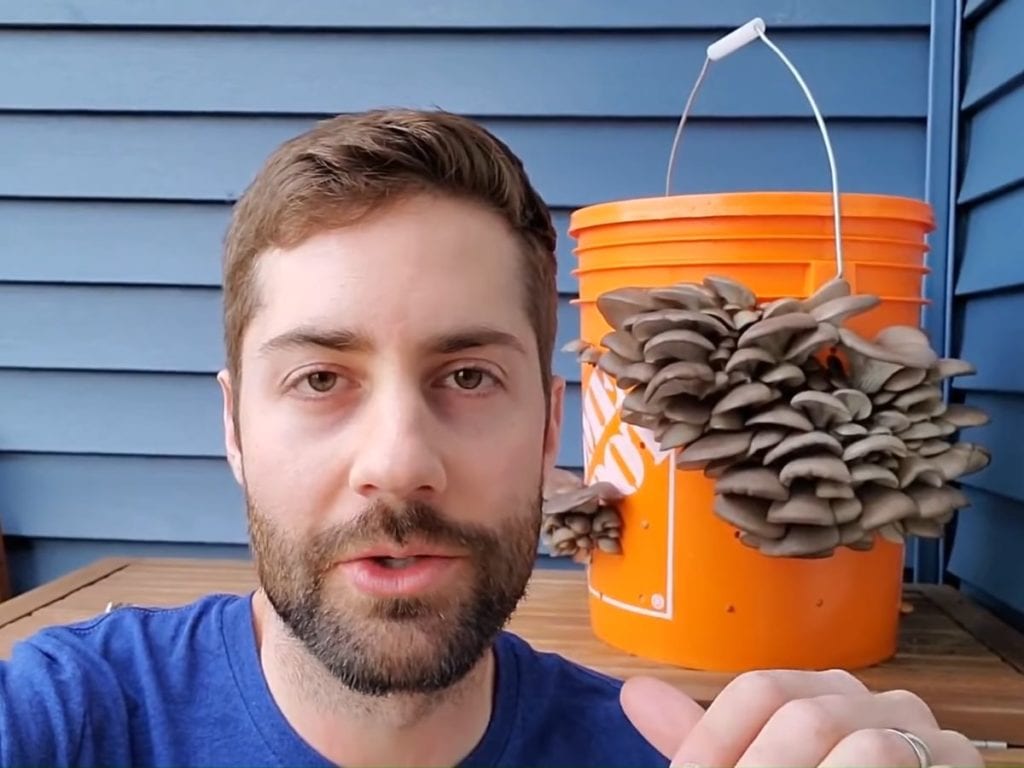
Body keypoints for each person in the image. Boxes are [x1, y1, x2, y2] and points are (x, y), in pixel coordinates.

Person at [0, 109, 982, 768]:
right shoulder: (71, 716)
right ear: (233, 426)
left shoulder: (674, 754)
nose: (398, 461)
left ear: (553, 424)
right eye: (319, 379)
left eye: (468, 376)